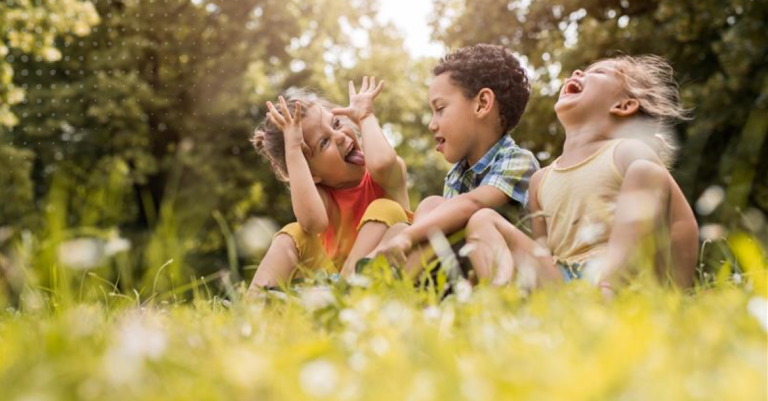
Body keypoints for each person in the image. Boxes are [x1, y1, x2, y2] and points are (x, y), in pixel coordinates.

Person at [463, 54, 699, 293]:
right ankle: (501, 299)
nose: (577, 73)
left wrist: (678, 290)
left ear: (623, 105)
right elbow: (543, 252)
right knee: (482, 220)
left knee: (646, 170)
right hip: (564, 284)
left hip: (626, 280)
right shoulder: (540, 180)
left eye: (597, 72)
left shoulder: (627, 151)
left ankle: (609, 290)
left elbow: (680, 223)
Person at [367, 44, 539, 283]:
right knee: (427, 207)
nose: (432, 124)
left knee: (429, 220)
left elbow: (472, 203)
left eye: (440, 109)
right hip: (466, 271)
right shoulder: (457, 175)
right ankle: (385, 283)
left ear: (481, 104)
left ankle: (382, 284)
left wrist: (408, 238)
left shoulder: (518, 161)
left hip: (521, 275)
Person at [247, 77, 411, 290]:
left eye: (336, 124)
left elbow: (382, 163)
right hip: (332, 289)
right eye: (324, 142)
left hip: (391, 274)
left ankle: (345, 292)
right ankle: (254, 306)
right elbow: (312, 223)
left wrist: (366, 116)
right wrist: (294, 150)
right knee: (294, 233)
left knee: (385, 208)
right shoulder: (322, 200)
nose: (340, 136)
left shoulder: (386, 180)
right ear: (311, 173)